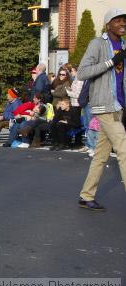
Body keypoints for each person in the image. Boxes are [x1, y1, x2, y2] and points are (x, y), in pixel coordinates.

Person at [78, 8, 126, 211]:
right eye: (118, 20)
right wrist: (110, 62)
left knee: (101, 155)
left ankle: (86, 195)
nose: (123, 23)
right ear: (108, 24)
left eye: (124, 20)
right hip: (105, 106)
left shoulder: (123, 45)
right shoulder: (98, 44)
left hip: (119, 106)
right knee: (124, 149)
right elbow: (82, 72)